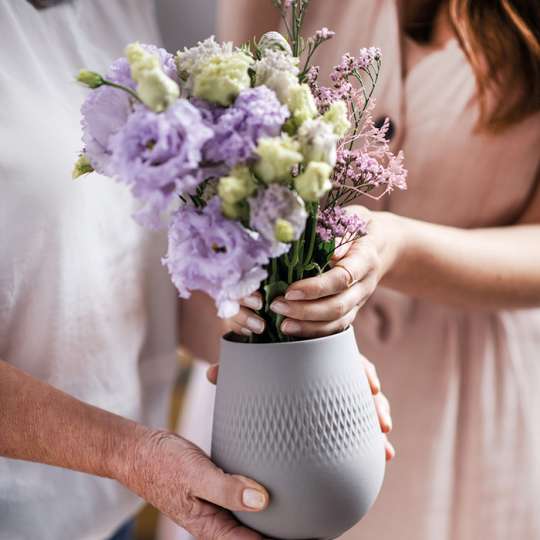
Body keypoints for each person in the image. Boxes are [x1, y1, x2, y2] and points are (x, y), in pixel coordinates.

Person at [176, 1, 540, 539]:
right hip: (273, 383)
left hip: (460, 402)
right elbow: (222, 155)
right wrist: (241, 319)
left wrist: (399, 248)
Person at [0, 2, 273, 539]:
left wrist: (290, 357)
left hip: (103, 509)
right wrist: (132, 455)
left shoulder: (119, 11)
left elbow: (142, 271)